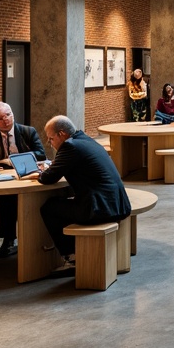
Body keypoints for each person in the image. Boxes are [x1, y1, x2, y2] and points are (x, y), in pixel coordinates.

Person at [37, 115, 131, 273]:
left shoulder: (69, 147)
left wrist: (38, 173)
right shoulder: (86, 139)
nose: (50, 143)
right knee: (63, 203)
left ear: (61, 134)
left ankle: (71, 257)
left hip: (99, 209)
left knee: (49, 208)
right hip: (118, 203)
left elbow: (48, 178)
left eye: (50, 139)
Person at [0, 101, 46, 257]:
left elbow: (41, 154)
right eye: (0, 117)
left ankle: (30, 241)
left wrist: (17, 159)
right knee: (5, 199)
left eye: (8, 115)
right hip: (4, 176)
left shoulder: (28, 131)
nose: (5, 119)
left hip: (27, 174)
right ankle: (8, 240)